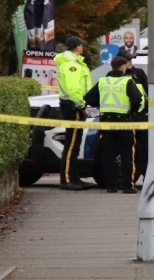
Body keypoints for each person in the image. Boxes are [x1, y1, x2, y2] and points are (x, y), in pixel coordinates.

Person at [85, 56, 143, 194]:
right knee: (127, 154)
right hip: (123, 122)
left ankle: (111, 186)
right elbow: (137, 99)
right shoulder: (127, 81)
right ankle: (127, 186)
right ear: (123, 67)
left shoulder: (103, 81)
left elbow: (88, 98)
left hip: (107, 122)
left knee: (108, 155)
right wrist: (132, 111)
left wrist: (101, 105)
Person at [54, 35, 93, 191]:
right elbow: (73, 89)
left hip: (72, 106)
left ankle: (74, 178)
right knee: (71, 145)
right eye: (81, 46)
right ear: (78, 47)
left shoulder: (73, 63)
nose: (82, 48)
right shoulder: (72, 65)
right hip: (73, 107)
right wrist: (82, 105)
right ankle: (68, 179)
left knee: (74, 145)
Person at [121, 52, 149, 187]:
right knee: (129, 150)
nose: (130, 62)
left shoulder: (139, 73)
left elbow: (148, 92)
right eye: (127, 60)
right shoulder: (116, 75)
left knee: (145, 149)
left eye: (131, 59)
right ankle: (130, 180)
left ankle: (147, 177)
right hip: (125, 118)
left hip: (142, 117)